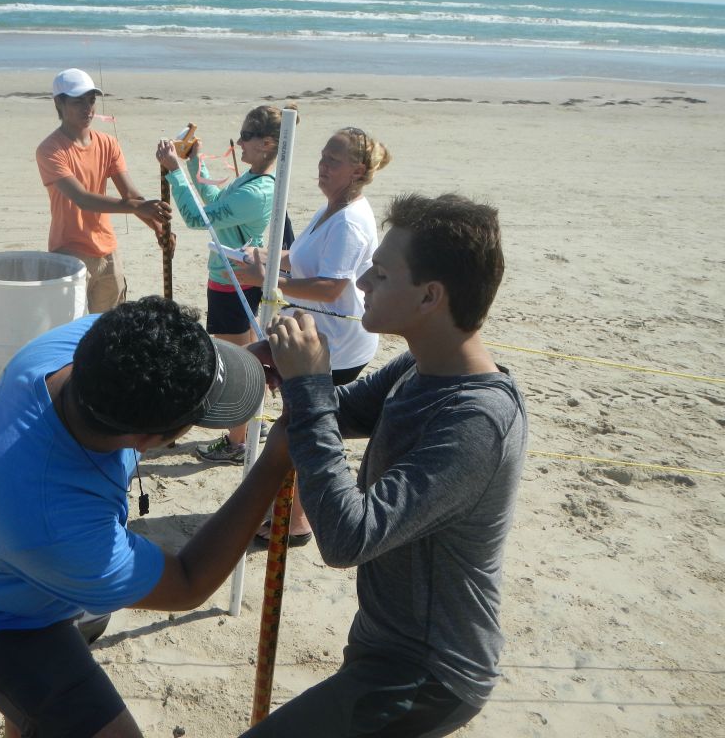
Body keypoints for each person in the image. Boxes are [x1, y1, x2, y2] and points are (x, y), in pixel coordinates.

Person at [0, 296, 293, 738]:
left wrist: (219, 368)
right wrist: (273, 464)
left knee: (33, 715)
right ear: (148, 440)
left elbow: (158, 352)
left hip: (17, 566)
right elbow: (188, 582)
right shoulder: (52, 524)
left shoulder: (84, 348)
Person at [243, 193, 528, 737]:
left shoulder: (477, 421)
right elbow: (336, 410)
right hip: (385, 641)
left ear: (429, 296)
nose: (364, 284)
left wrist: (306, 385)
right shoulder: (421, 367)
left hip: (430, 670)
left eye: (380, 273)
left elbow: (348, 537)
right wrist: (285, 368)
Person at [234, 126, 391, 544]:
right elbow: (305, 258)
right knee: (295, 420)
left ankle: (298, 521)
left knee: (304, 426)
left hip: (334, 346)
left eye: (332, 161)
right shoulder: (332, 209)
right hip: (314, 334)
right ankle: (289, 506)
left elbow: (330, 286)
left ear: (357, 170)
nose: (322, 166)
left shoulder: (349, 222)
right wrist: (270, 258)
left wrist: (269, 280)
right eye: (322, 157)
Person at [155, 105, 293, 465]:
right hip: (234, 280)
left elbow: (197, 218)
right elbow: (216, 202)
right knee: (249, 354)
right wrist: (196, 162)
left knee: (236, 362)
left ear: (266, 143)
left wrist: (174, 172)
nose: (240, 142)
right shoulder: (251, 180)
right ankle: (249, 427)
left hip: (232, 285)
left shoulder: (258, 191)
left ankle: (237, 443)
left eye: (246, 136)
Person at [36, 68, 172, 313]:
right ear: (59, 102)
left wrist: (159, 228)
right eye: (78, 101)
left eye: (91, 100)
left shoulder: (107, 143)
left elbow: (131, 195)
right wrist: (138, 207)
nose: (87, 108)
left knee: (109, 332)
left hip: (108, 253)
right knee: (72, 329)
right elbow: (82, 199)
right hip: (69, 253)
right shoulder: (50, 150)